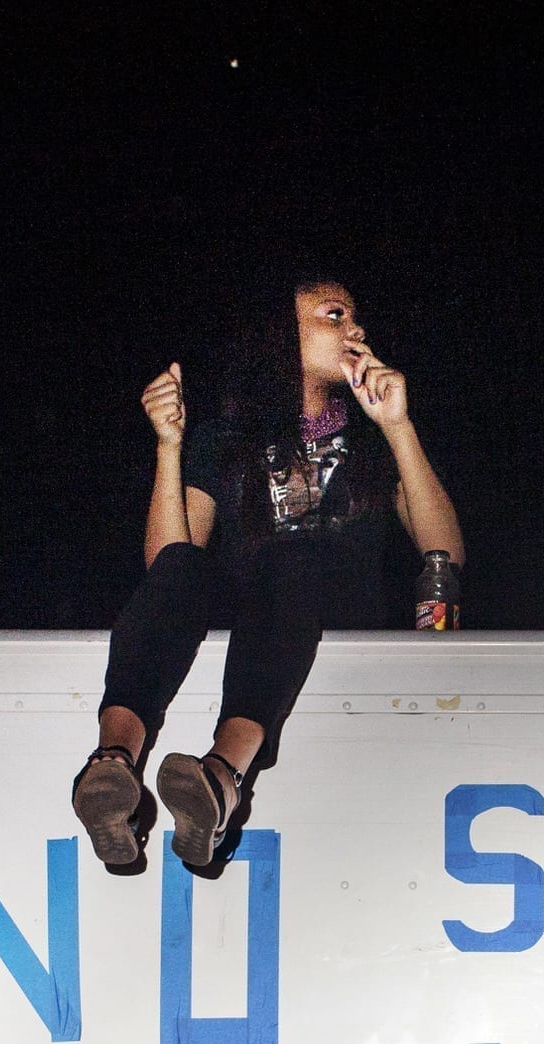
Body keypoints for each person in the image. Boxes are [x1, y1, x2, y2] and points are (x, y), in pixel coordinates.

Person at [73, 272, 467, 878]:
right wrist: (169, 447)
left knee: (289, 560)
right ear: (281, 336)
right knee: (194, 569)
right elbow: (167, 566)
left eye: (356, 318)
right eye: (334, 316)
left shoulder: (371, 438)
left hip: (341, 614)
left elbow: (443, 555)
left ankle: (221, 777)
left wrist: (397, 427)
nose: (355, 329)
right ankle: (112, 765)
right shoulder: (230, 438)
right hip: (263, 622)